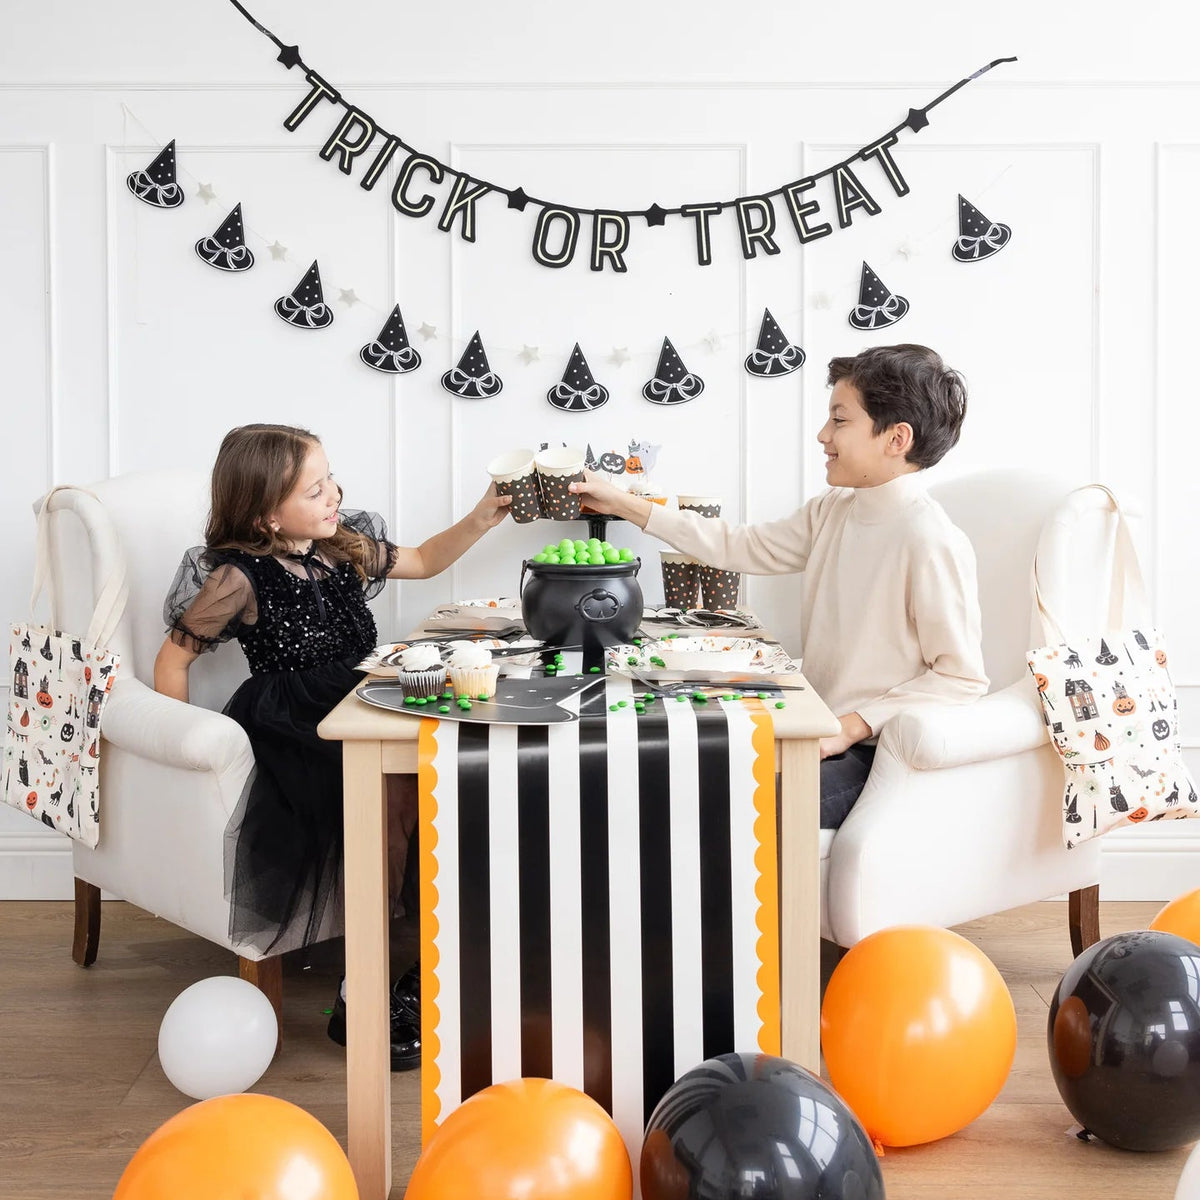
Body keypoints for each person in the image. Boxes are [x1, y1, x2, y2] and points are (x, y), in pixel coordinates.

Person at [154, 423, 510, 1069]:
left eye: (330, 479)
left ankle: (453, 950)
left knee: (453, 760)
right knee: (387, 788)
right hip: (295, 726)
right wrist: (186, 742)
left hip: (362, 698)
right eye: (315, 489)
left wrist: (483, 516)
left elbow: (425, 559)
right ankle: (362, 984)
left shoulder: (339, 547)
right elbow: (173, 658)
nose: (334, 495)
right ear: (266, 513)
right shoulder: (240, 578)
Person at [571, 343, 988, 829]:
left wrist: (850, 727)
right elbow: (739, 546)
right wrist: (623, 503)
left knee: (718, 811)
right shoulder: (835, 508)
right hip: (815, 728)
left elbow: (961, 679)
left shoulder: (929, 538)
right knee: (673, 778)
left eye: (840, 420)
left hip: (873, 756)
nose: (822, 434)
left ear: (896, 439)